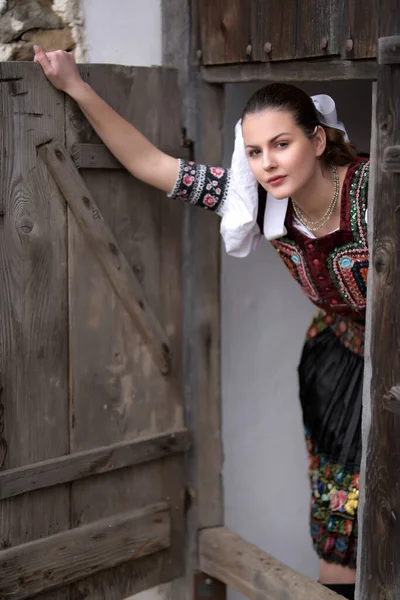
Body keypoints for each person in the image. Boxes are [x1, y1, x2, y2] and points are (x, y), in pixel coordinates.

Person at [34, 45, 368, 600]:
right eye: (256, 151)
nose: (269, 163)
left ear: (316, 139)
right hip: (337, 362)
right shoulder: (255, 202)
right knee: (341, 512)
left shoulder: (373, 189)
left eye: (282, 144)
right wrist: (74, 86)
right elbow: (148, 163)